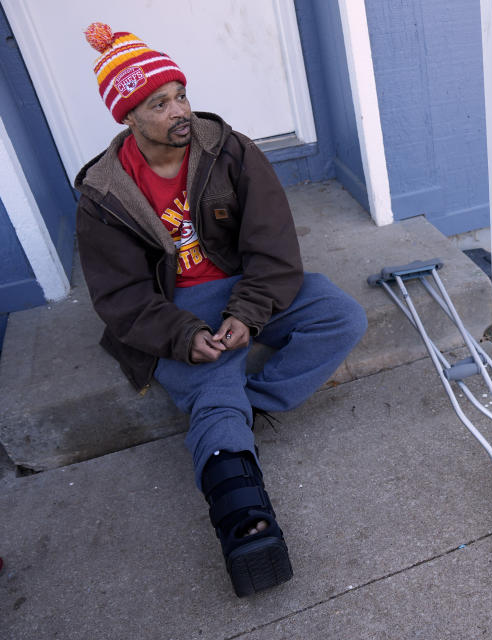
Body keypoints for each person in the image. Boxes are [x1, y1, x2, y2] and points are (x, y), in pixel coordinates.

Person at [74, 23, 367, 597]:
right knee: (211, 379)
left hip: (247, 282)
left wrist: (250, 311)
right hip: (172, 305)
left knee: (341, 316)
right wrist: (182, 335)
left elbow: (273, 242)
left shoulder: (226, 148)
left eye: (180, 94)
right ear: (128, 117)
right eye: (159, 104)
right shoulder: (103, 193)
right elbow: (120, 298)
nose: (180, 110)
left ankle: (237, 412)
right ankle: (245, 525)